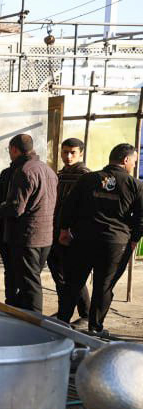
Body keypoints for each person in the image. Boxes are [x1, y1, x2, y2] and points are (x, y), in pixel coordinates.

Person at [56, 143, 143, 338]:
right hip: (115, 243)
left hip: (83, 238)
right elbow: (140, 218)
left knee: (74, 282)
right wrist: (134, 240)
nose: (133, 166)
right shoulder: (135, 185)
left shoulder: (88, 179)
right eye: (134, 161)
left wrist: (64, 230)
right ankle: (95, 327)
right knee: (104, 285)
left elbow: (69, 206)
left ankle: (62, 322)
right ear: (126, 160)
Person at [0, 134, 58, 311]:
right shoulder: (48, 170)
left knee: (29, 283)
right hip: (45, 236)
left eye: (9, 150)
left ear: (14, 150)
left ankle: (33, 321)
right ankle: (22, 313)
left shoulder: (24, 171)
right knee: (30, 278)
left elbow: (15, 208)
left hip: (26, 236)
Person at [50, 137, 91, 324]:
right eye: (65, 152)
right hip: (55, 229)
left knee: (74, 276)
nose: (68, 156)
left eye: (72, 152)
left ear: (80, 153)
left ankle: (86, 313)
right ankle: (63, 311)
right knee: (59, 275)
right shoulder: (59, 174)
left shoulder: (86, 176)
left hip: (73, 234)